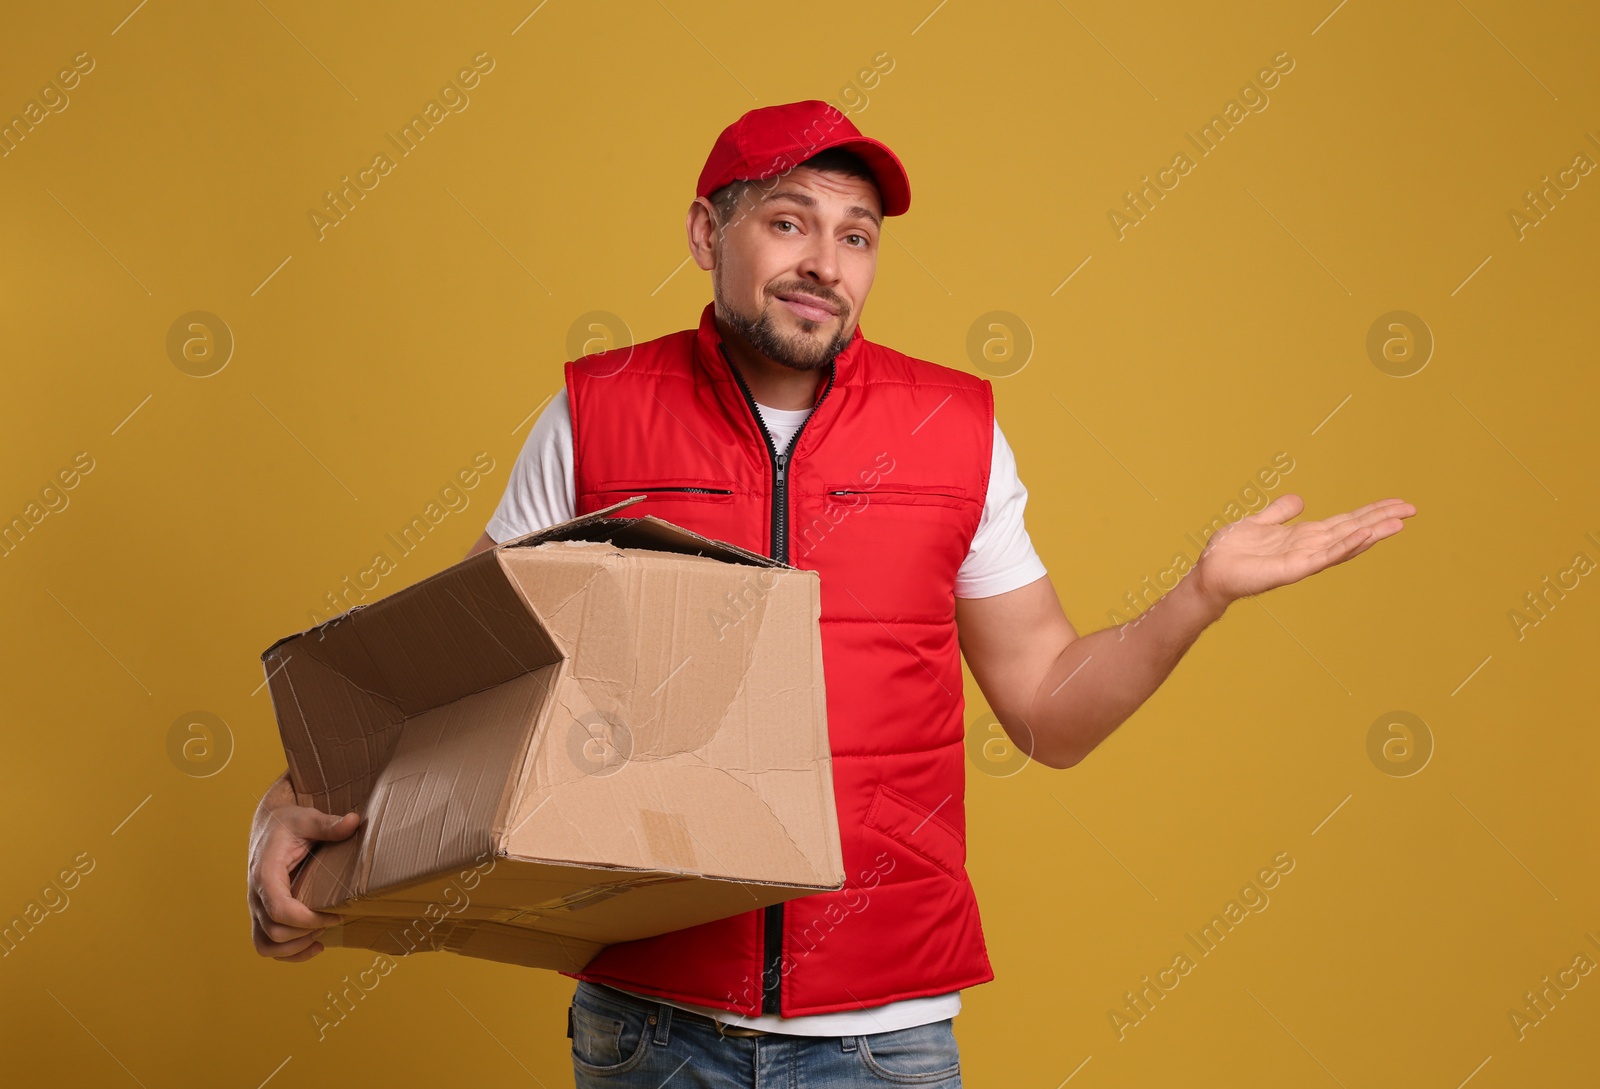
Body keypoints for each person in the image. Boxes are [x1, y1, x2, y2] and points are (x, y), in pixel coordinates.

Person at [247, 99, 1415, 1087]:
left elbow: (1049, 713)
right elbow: (455, 681)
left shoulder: (956, 429)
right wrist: (289, 811)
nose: (825, 262)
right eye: (789, 220)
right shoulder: (593, 415)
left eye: (856, 236)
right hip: (650, 1030)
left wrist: (1195, 598)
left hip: (885, 1041)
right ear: (708, 231)